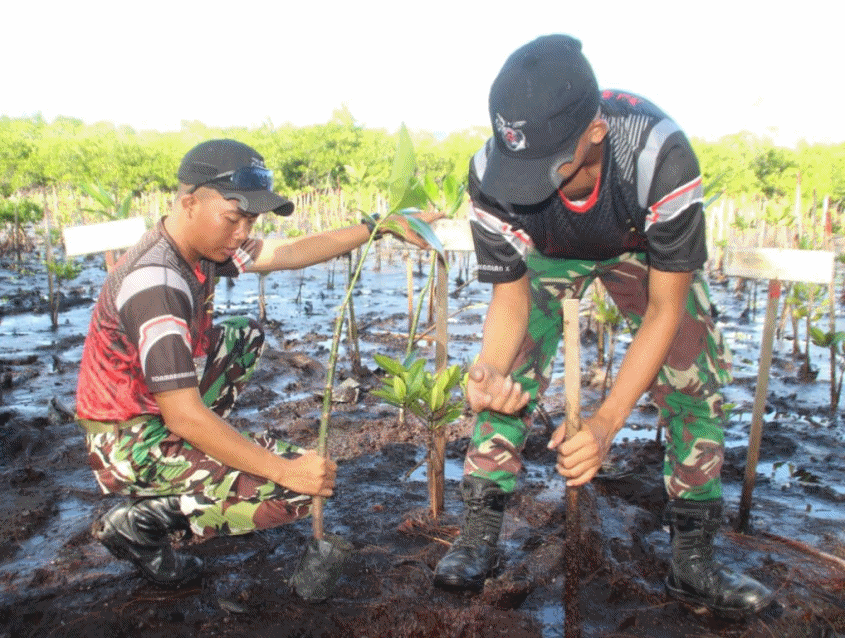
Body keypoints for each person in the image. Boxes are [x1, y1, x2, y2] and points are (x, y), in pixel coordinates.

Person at [432, 34, 773, 617]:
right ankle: (479, 535)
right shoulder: (493, 171)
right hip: (548, 251)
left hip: (637, 248)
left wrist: (606, 423)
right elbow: (510, 303)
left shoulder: (658, 157)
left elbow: (666, 308)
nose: (526, 184)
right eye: (519, 167)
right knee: (506, 374)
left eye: (545, 168)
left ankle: (692, 562)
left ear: (595, 132)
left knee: (694, 372)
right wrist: (485, 372)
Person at [76, 138, 440, 586]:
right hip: (124, 442)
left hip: (151, 406)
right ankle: (142, 522)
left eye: (250, 219)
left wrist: (379, 227)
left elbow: (287, 253)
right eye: (234, 217)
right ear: (189, 203)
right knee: (295, 492)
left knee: (242, 336)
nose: (243, 232)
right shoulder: (157, 286)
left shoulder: (199, 249)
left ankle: (196, 464)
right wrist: (284, 469)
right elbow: (184, 415)